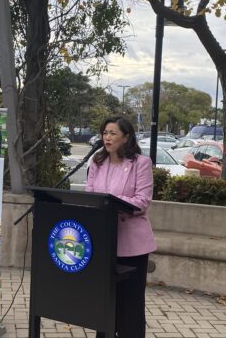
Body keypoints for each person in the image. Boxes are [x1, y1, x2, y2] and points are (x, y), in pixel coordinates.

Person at [85, 116, 156, 338]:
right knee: (105, 301)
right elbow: (90, 195)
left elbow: (142, 201)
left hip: (131, 245)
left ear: (126, 137)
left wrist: (112, 200)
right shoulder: (96, 162)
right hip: (104, 242)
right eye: (105, 132)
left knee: (130, 303)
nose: (107, 137)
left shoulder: (141, 164)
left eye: (113, 133)